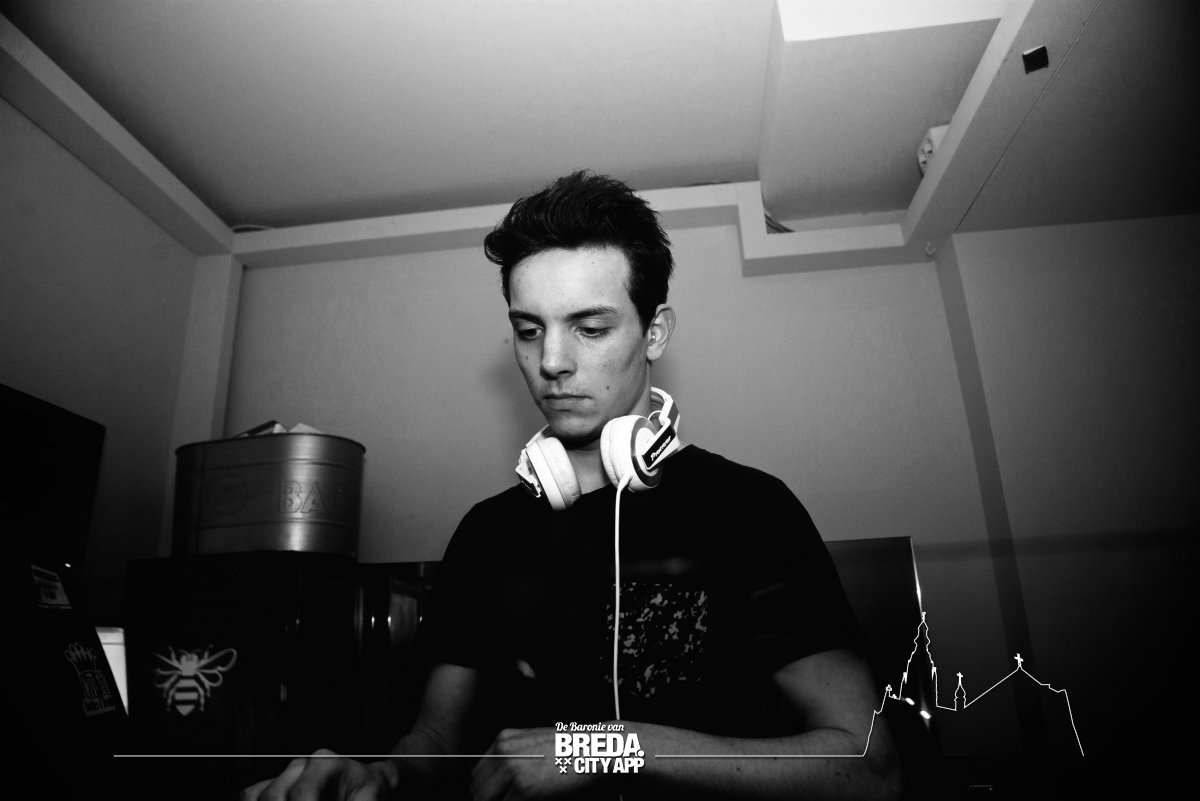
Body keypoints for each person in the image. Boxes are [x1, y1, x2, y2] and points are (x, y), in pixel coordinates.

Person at [243, 171, 901, 801]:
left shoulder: (750, 511)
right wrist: (380, 778)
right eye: (529, 331)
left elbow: (870, 768)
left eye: (590, 328)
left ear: (655, 332)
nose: (552, 361)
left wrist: (606, 748)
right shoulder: (486, 533)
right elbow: (438, 738)